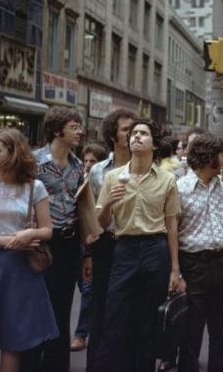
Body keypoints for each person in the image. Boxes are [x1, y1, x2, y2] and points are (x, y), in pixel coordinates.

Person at [94, 118, 182, 372]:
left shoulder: (167, 180)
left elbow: (172, 225)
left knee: (148, 320)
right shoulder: (113, 178)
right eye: (133, 133)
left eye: (143, 133)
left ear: (155, 145)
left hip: (156, 248)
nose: (136, 137)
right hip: (125, 249)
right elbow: (101, 223)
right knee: (116, 317)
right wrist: (108, 202)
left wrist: (175, 269)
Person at [0, 128, 58, 372]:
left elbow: (47, 230)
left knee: (13, 342)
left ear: (14, 151)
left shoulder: (35, 187)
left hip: (21, 269)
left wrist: (30, 233)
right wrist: (12, 240)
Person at [25, 106, 101, 372]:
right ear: (57, 131)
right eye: (73, 126)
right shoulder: (32, 162)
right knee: (36, 309)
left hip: (69, 244)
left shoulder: (78, 164)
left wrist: (88, 252)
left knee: (61, 308)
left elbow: (82, 209)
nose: (80, 131)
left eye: (79, 126)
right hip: (41, 242)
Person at [175, 133, 223, 372]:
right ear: (209, 157)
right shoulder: (180, 188)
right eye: (222, 155)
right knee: (191, 329)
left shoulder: (222, 185)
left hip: (222, 262)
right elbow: (171, 231)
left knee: (221, 330)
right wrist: (176, 271)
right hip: (193, 263)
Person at [84, 108, 136, 368]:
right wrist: (89, 255)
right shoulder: (98, 172)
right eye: (126, 129)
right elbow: (91, 219)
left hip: (136, 246)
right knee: (101, 310)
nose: (132, 135)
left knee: (131, 313)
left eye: (135, 129)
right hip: (106, 245)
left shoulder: (149, 168)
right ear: (113, 135)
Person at [71, 142, 109, 353]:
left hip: (95, 241)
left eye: (92, 161)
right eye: (85, 160)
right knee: (84, 289)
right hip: (79, 241)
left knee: (88, 290)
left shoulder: (99, 179)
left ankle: (81, 334)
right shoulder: (80, 179)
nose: (87, 165)